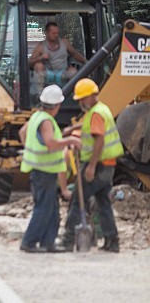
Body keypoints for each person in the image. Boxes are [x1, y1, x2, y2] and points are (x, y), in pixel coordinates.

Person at [63, 78, 124, 253]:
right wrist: (74, 128)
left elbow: (99, 139)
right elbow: (91, 125)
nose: (81, 102)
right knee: (103, 202)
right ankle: (112, 241)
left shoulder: (96, 113)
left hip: (98, 166)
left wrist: (90, 166)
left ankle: (67, 240)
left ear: (92, 96)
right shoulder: (101, 109)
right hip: (108, 165)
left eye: (83, 98)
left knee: (77, 200)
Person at [18, 85, 80, 253]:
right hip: (44, 172)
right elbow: (51, 144)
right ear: (58, 105)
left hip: (42, 171)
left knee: (52, 209)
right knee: (44, 208)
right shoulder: (46, 121)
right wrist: (70, 142)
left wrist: (33, 148)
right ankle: (29, 242)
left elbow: (22, 132)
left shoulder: (36, 116)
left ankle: (48, 242)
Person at [28, 22, 87, 92]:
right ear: (47, 33)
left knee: (73, 71)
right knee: (38, 66)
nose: (56, 35)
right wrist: (41, 58)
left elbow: (75, 54)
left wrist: (87, 62)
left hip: (63, 73)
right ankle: (40, 94)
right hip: (48, 74)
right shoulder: (41, 47)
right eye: (53, 33)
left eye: (57, 33)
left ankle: (73, 94)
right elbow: (29, 63)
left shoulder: (64, 43)